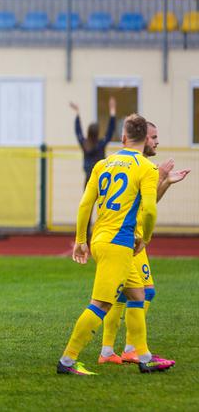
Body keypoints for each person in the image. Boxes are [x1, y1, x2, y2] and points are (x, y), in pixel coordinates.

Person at [57, 114, 174, 375]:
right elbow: (150, 211)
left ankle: (144, 357)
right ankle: (67, 361)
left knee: (138, 295)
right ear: (144, 139)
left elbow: (85, 204)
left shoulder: (103, 164)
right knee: (101, 303)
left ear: (122, 138)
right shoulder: (145, 168)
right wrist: (146, 238)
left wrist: (80, 240)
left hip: (100, 238)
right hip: (119, 243)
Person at [98, 122, 190, 365]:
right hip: (127, 238)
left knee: (122, 295)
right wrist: (159, 177)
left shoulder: (138, 166)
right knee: (141, 292)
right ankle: (131, 350)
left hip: (127, 236)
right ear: (142, 139)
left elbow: (147, 204)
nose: (157, 141)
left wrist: (166, 182)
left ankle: (110, 350)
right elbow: (145, 209)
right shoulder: (142, 166)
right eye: (154, 137)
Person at [71, 97, 116, 187]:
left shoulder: (85, 144)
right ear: (98, 133)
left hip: (88, 179)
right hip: (101, 179)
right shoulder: (100, 144)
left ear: (88, 132)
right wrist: (112, 111)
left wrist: (77, 113)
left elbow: (78, 131)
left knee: (88, 200)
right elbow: (110, 132)